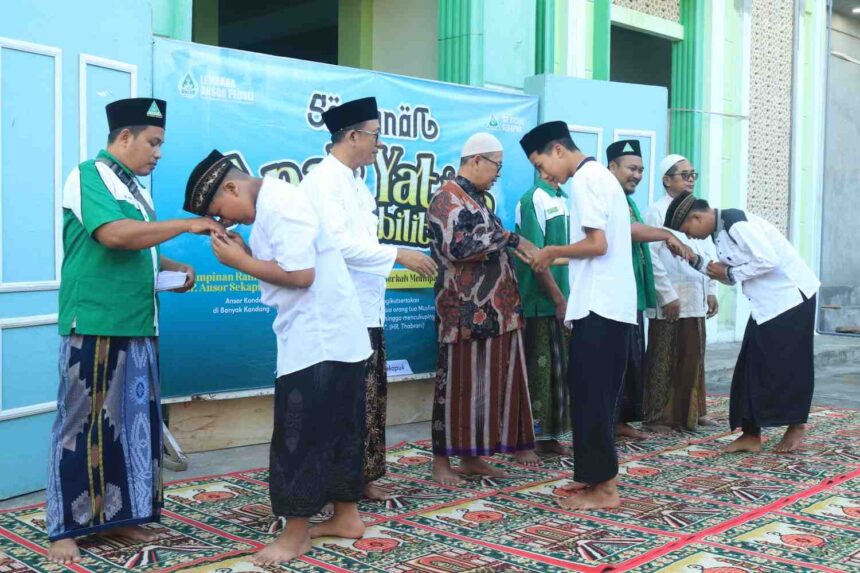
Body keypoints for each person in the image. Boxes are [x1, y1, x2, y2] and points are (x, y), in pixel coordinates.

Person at [47, 98, 223, 564]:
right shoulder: (88, 175)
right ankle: (64, 526)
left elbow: (139, 248)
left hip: (139, 324)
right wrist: (186, 226)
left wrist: (171, 267)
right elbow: (115, 235)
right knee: (80, 426)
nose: (158, 153)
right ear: (123, 138)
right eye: (152, 142)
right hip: (97, 321)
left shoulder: (135, 190)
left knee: (130, 428)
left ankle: (119, 520)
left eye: (160, 143)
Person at [184, 150, 371, 565]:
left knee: (298, 436)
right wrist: (245, 249)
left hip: (318, 338)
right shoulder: (274, 203)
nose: (227, 222)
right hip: (334, 335)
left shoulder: (283, 203)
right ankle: (347, 517)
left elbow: (301, 276)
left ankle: (296, 534)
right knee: (340, 428)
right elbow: (287, 260)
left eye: (222, 211)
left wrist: (241, 262)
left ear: (232, 187)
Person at [520, 121, 689, 510]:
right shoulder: (599, 177)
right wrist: (554, 256)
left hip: (601, 306)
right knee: (589, 394)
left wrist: (551, 251)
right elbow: (608, 244)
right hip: (605, 303)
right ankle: (592, 476)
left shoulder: (586, 181)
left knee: (593, 398)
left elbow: (596, 244)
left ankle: (604, 488)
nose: (543, 173)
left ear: (558, 150)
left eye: (541, 162)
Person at [299, 97, 437, 501]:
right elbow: (337, 245)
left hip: (366, 309)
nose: (379, 144)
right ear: (353, 135)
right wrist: (399, 254)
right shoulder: (322, 182)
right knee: (342, 403)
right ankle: (334, 484)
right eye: (376, 135)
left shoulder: (357, 183)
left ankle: (359, 478)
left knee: (368, 399)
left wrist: (394, 252)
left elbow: (364, 243)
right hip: (338, 311)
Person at [664, 192, 820, 454]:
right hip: (766, 304)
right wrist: (693, 259)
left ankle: (796, 426)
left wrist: (729, 272)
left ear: (698, 216)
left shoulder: (736, 223)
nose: (690, 236)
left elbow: (767, 260)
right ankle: (751, 434)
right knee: (750, 367)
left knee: (790, 365)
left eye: (687, 230)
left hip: (792, 298)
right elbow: (726, 274)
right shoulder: (719, 233)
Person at [427, 132, 538, 485]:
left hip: (495, 313)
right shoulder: (447, 199)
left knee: (483, 388)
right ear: (475, 160)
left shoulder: (477, 200)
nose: (497, 174)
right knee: (456, 388)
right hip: (462, 313)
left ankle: (473, 458)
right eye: (496, 166)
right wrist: (511, 238)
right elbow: (457, 248)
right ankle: (441, 464)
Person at [642, 155, 719, 432]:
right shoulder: (656, 211)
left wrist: (711, 289)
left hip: (696, 294)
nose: (690, 179)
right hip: (672, 296)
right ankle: (659, 417)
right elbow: (651, 257)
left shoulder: (698, 210)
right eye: (684, 175)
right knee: (665, 356)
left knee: (693, 354)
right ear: (667, 180)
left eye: (692, 174)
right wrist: (667, 295)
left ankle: (693, 412)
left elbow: (708, 252)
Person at [513, 177, 571, 456]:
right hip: (538, 301)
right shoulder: (533, 199)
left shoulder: (563, 198)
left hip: (563, 298)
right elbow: (533, 257)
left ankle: (551, 437)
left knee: (557, 374)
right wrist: (558, 298)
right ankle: (528, 439)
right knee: (536, 374)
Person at [606, 140, 654, 440]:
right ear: (612, 167)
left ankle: (622, 420)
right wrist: (672, 237)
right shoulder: (609, 198)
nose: (636, 175)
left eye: (640, 170)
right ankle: (610, 420)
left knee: (632, 358)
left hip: (631, 294)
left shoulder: (629, 200)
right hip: (613, 296)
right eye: (631, 168)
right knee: (617, 359)